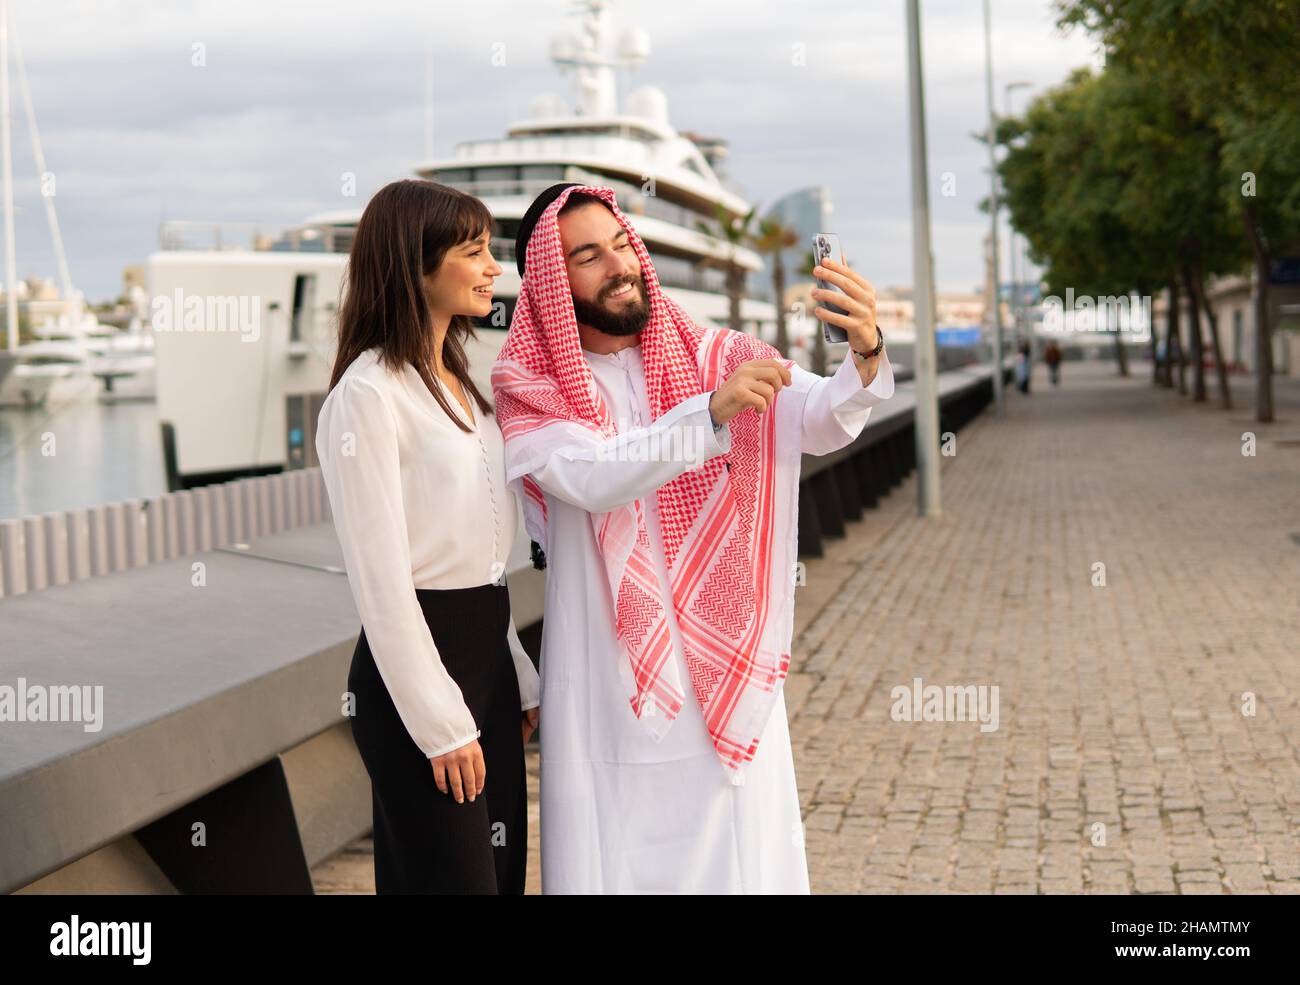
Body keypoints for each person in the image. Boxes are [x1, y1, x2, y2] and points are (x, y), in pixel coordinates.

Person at [490, 183, 895, 893]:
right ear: (552, 284)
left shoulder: (712, 355)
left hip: (727, 677)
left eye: (621, 245)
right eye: (588, 255)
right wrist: (707, 415)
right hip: (606, 695)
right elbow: (588, 475)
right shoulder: (531, 386)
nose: (618, 265)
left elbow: (824, 417)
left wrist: (864, 353)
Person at [316, 179, 540, 894]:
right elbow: (381, 585)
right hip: (417, 677)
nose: (492, 268)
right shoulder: (367, 396)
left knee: (498, 877)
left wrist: (518, 671)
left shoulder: (459, 383)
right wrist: (440, 720)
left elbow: (485, 554)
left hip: (488, 663)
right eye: (473, 252)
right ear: (415, 265)